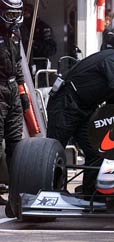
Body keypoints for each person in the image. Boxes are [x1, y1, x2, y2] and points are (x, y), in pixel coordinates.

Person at [46, 11, 114, 199]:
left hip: (85, 108)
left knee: (96, 149)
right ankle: (47, 193)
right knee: (52, 151)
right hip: (65, 103)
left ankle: (92, 194)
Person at [0, 0, 29, 213]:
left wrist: (23, 92)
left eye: (16, 14)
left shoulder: (15, 34)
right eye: (9, 14)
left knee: (15, 144)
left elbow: (18, 66)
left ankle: (15, 191)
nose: (14, 19)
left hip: (12, 90)